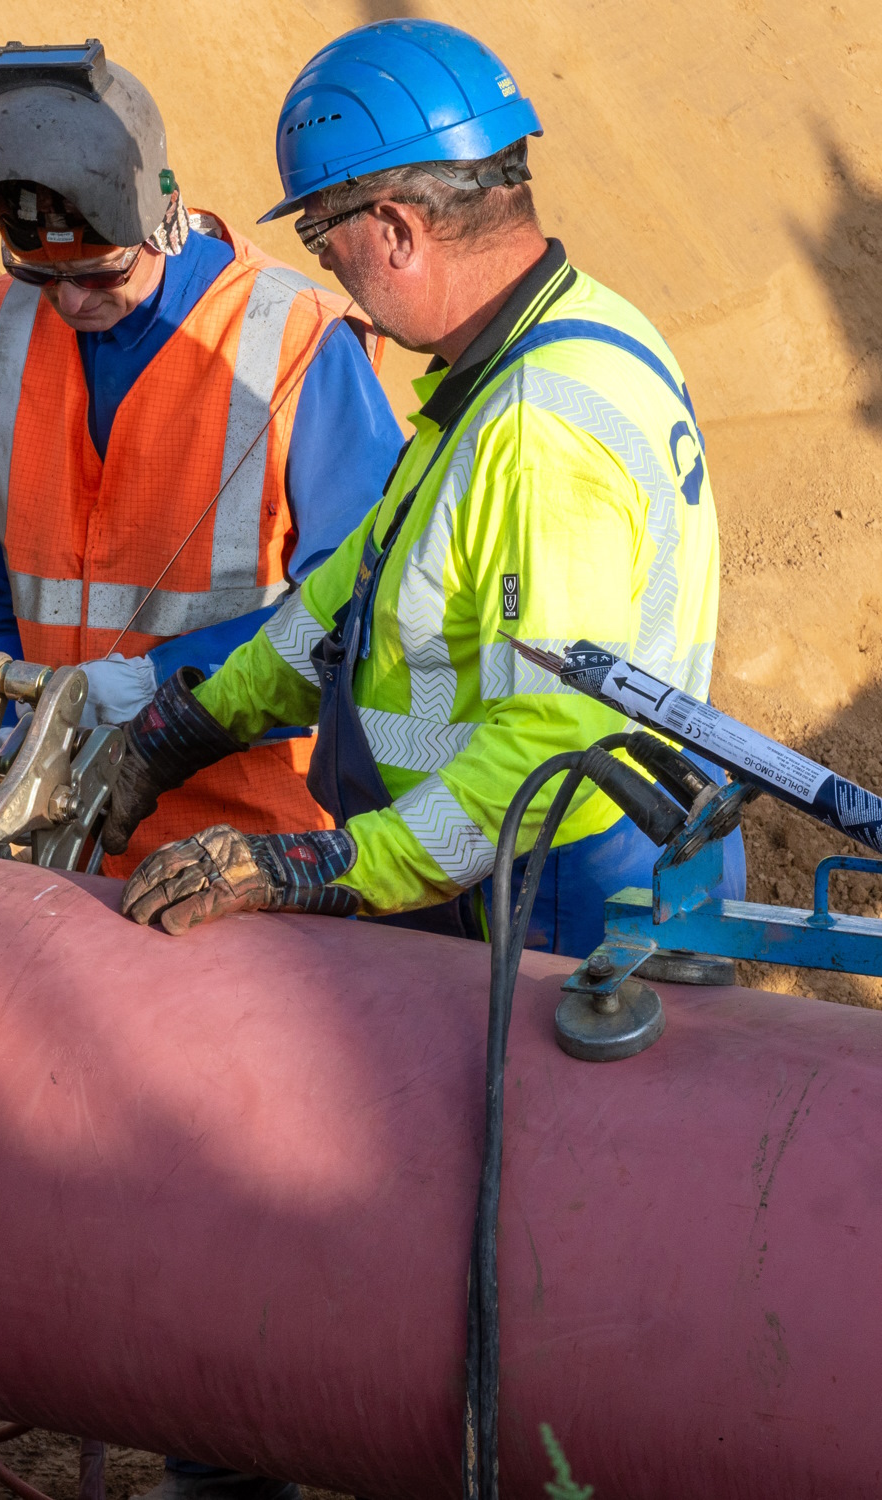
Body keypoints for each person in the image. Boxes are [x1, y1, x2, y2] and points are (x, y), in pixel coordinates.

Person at [109, 18, 744, 972]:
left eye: (329, 245)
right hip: (519, 865)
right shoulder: (558, 336)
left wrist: (326, 864)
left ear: (397, 229)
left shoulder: (538, 428)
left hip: (553, 892)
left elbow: (551, 743)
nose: (340, 284)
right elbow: (363, 585)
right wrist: (193, 724)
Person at [0, 39, 405, 877]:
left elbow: (363, 613)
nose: (73, 302)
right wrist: (2, 690)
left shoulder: (296, 345)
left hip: (244, 836)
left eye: (101, 271)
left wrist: (161, 683)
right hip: (52, 827)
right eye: (46, 276)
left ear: (165, 215)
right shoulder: (3, 324)